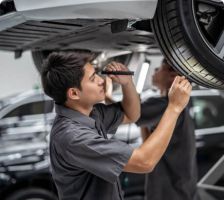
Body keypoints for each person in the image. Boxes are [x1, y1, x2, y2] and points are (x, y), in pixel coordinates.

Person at [41, 51, 192, 200]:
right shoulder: (72, 136)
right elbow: (144, 162)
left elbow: (131, 115)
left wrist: (127, 83)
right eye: (93, 78)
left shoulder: (92, 114)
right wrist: (174, 108)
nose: (101, 80)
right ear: (74, 93)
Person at [136, 59, 199, 200]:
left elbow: (124, 114)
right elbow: (148, 143)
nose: (154, 71)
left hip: (169, 192)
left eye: (159, 68)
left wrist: (118, 89)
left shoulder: (164, 105)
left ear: (173, 75)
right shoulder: (181, 105)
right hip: (182, 190)